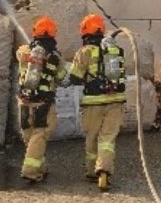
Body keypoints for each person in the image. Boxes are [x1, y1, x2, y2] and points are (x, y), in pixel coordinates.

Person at [68, 14, 126, 192]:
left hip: (93, 102)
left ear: (84, 31)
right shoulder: (116, 50)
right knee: (107, 138)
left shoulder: (85, 52)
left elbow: (75, 78)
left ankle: (93, 171)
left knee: (92, 137)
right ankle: (104, 171)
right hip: (116, 101)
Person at [15, 15, 67, 183]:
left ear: (35, 33)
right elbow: (61, 77)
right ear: (53, 34)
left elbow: (19, 56)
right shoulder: (56, 56)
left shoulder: (24, 51)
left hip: (24, 101)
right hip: (43, 102)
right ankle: (30, 170)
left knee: (29, 135)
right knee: (40, 134)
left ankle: (40, 168)